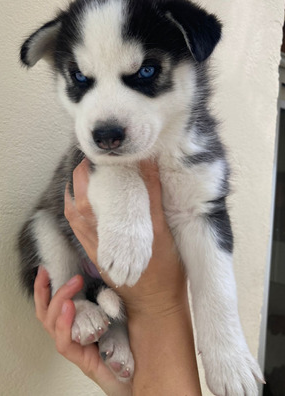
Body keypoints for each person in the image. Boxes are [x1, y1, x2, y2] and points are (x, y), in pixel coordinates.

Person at [34, 159, 202, 395]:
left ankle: (114, 328)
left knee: (119, 290)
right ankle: (80, 303)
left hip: (122, 290)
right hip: (74, 253)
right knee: (44, 224)